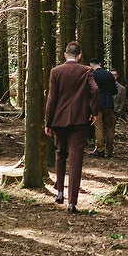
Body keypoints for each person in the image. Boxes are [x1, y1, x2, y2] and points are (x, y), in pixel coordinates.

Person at [44, 40, 98, 212]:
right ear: (79, 55)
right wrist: (93, 111)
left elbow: (51, 99)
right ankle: (72, 202)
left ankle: (60, 193)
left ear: (65, 55)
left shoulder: (55, 71)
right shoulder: (86, 71)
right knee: (76, 159)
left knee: (60, 154)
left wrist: (48, 122)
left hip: (59, 120)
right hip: (80, 120)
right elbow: (95, 90)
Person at [89, 58, 118, 158]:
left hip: (97, 104)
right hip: (108, 103)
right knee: (109, 127)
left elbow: (90, 90)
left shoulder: (92, 75)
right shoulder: (109, 74)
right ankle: (109, 151)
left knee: (98, 127)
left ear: (91, 65)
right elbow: (114, 90)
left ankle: (100, 149)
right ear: (100, 64)